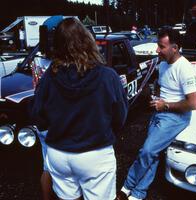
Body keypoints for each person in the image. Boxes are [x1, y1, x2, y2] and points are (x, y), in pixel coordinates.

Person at [30, 17, 128, 200]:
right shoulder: (108, 76)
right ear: (87, 40)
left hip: (59, 154)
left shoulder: (50, 77)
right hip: (95, 155)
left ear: (57, 46)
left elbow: (38, 117)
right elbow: (120, 117)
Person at [116, 28, 196, 200]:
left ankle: (126, 187)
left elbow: (193, 103)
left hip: (176, 117)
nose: (157, 50)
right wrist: (157, 97)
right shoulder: (162, 64)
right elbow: (162, 86)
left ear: (174, 48)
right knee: (152, 154)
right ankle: (138, 194)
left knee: (146, 151)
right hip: (161, 113)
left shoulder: (185, 69)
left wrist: (165, 105)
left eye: (161, 47)